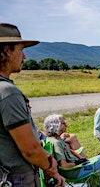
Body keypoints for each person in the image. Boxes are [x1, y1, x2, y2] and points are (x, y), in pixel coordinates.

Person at [0, 23, 65, 186]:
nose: (24, 57)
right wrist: (50, 166)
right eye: (21, 50)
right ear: (7, 51)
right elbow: (30, 150)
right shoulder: (8, 92)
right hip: (17, 178)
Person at [44, 114, 100, 187]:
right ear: (55, 126)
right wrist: (77, 163)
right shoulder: (56, 143)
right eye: (63, 123)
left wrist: (81, 158)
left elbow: (69, 150)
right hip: (73, 171)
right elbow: (64, 166)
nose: (66, 125)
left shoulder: (54, 139)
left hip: (74, 168)